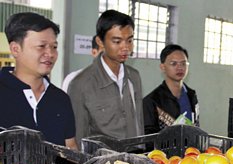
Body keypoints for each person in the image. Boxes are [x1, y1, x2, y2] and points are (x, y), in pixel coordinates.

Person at [0, 12, 78, 149]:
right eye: (41, 46)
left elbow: (71, 147)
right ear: (15, 49)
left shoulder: (61, 99)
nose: (50, 54)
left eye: (54, 47)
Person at [68, 10, 144, 146]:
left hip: (133, 160)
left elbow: (139, 125)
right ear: (100, 42)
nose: (125, 47)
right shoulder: (81, 84)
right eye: (117, 41)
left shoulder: (134, 77)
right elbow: (78, 138)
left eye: (130, 40)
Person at [143, 44, 199, 134]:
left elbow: (196, 127)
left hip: (190, 148)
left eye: (183, 63)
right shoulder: (151, 101)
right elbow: (148, 138)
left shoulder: (191, 95)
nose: (179, 67)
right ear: (163, 67)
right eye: (174, 63)